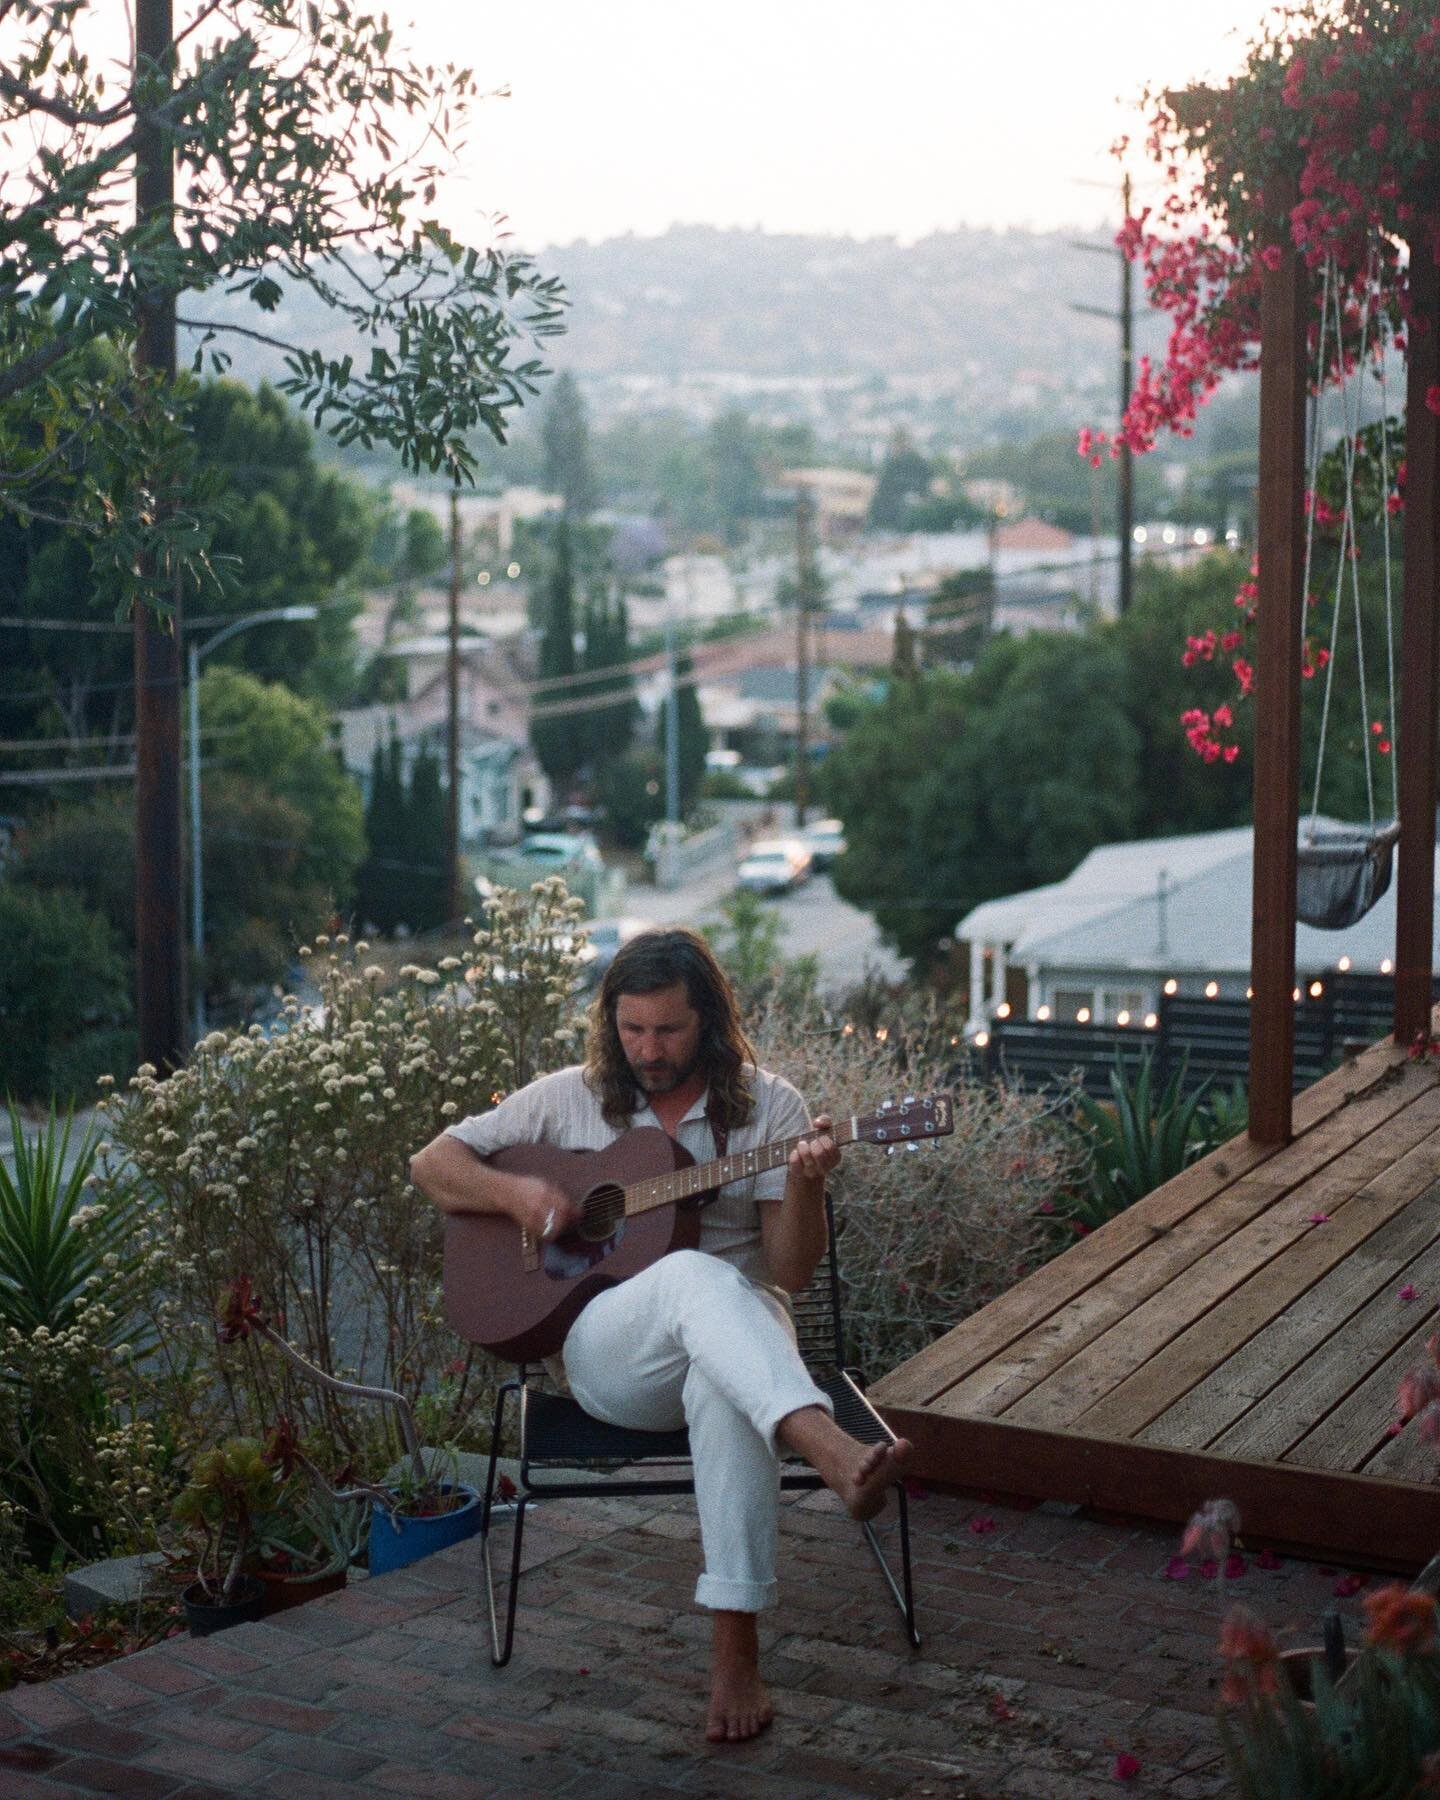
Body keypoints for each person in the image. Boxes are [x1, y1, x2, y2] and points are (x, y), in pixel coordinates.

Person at [409, 926, 911, 1744]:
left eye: (668, 1030)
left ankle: (734, 1658)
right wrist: (517, 1196)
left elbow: (786, 1273)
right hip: (614, 1356)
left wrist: (803, 1186)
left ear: (710, 1020)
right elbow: (432, 1165)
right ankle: (827, 1448)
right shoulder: (567, 1096)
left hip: (747, 1350)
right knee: (694, 1277)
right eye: (631, 1028)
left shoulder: (769, 1108)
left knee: (724, 1357)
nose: (647, 1048)